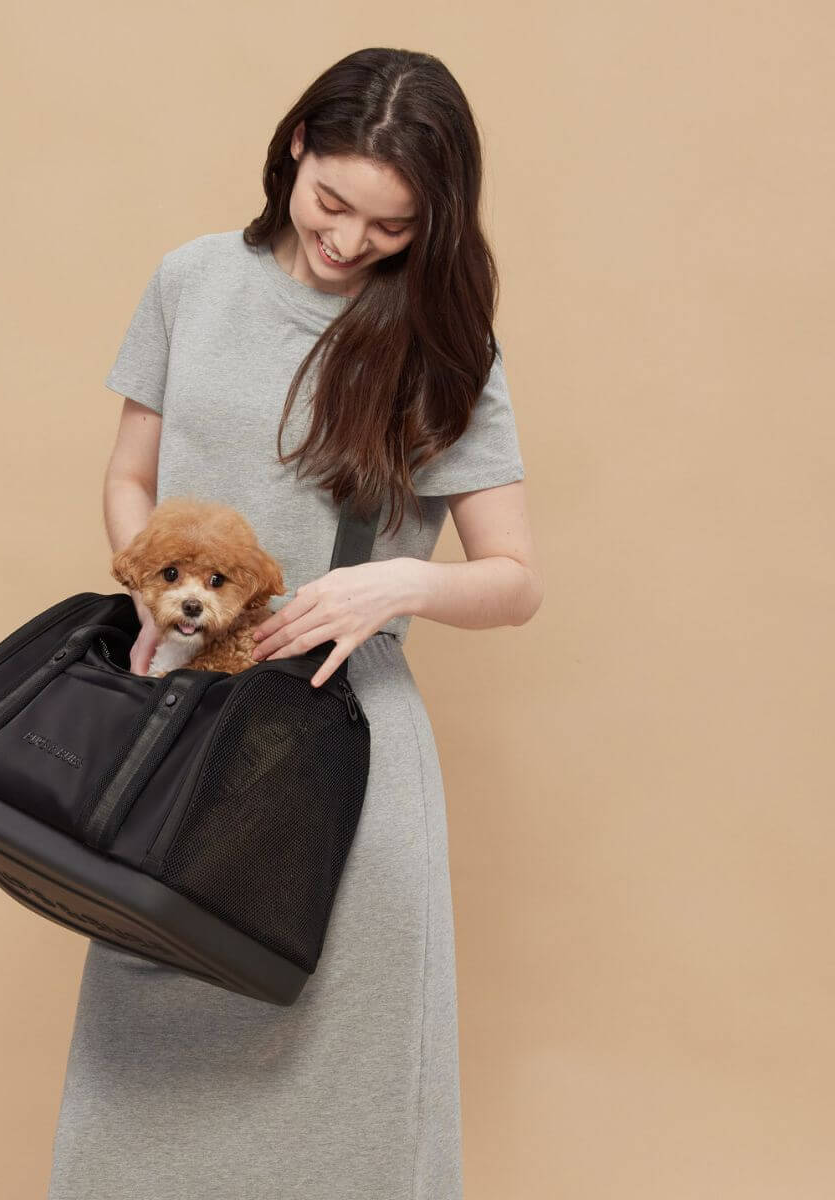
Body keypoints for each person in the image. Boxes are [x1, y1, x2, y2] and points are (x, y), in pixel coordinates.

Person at [48, 46, 543, 1200]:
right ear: (295, 152)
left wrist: (400, 587)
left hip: (344, 750)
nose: (349, 240)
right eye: (333, 201)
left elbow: (516, 578)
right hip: (178, 733)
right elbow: (131, 475)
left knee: (349, 1112)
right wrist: (151, 592)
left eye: (391, 225)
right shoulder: (191, 280)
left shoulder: (443, 344)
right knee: (145, 1086)